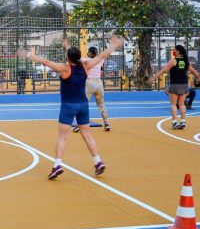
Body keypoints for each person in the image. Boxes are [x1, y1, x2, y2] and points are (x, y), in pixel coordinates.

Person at [18, 36, 124, 180]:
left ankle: (57, 164)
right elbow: (101, 56)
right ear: (79, 57)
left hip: (68, 106)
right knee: (87, 135)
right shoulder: (85, 66)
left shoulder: (65, 68)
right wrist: (113, 46)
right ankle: (98, 161)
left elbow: (46, 61)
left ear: (68, 58)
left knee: (62, 137)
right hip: (83, 105)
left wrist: (27, 54)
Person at [149, 45, 200, 130]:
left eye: (174, 50)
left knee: (173, 104)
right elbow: (193, 71)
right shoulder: (185, 61)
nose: (173, 51)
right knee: (182, 104)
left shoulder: (173, 61)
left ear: (178, 51)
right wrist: (199, 78)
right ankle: (183, 121)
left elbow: (164, 70)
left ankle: (174, 122)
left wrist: (153, 78)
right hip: (184, 84)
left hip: (175, 84)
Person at [69, 43, 111, 132]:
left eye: (88, 52)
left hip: (89, 83)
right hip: (99, 83)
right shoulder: (100, 60)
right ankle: (107, 123)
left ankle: (79, 125)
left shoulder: (86, 60)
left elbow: (75, 58)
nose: (87, 53)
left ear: (91, 53)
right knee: (101, 104)